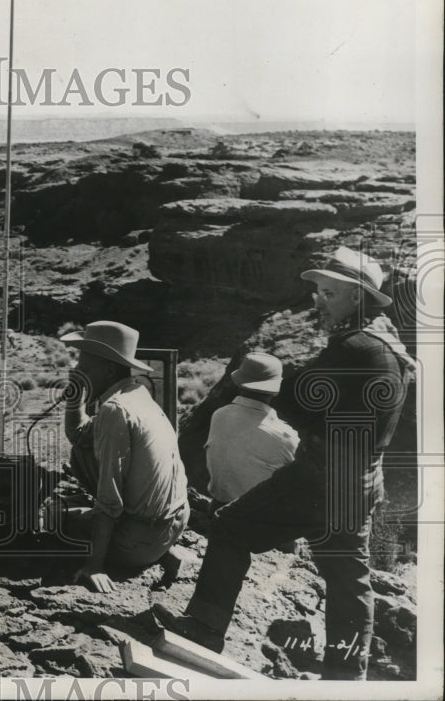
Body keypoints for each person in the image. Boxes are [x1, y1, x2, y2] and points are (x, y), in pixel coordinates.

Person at [152, 247, 414, 680]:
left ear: (357, 298)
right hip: (361, 482)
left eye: (329, 293)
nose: (318, 301)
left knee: (231, 527)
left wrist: (266, 386)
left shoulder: (354, 347)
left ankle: (203, 629)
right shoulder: (387, 347)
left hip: (319, 480)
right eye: (319, 292)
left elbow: (296, 400)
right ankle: (347, 677)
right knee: (349, 580)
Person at [61, 321, 189, 592]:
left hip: (140, 541)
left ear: (108, 369)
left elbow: (109, 500)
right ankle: (162, 551)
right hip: (173, 525)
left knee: (58, 521)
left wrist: (95, 565)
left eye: (85, 367)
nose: (79, 373)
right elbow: (80, 436)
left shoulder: (114, 410)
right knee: (82, 453)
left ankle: (145, 553)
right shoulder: (137, 394)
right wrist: (75, 394)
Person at [205, 352, 299, 509]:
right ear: (275, 390)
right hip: (258, 516)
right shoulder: (285, 436)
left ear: (239, 382)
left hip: (218, 508)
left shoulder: (219, 415)